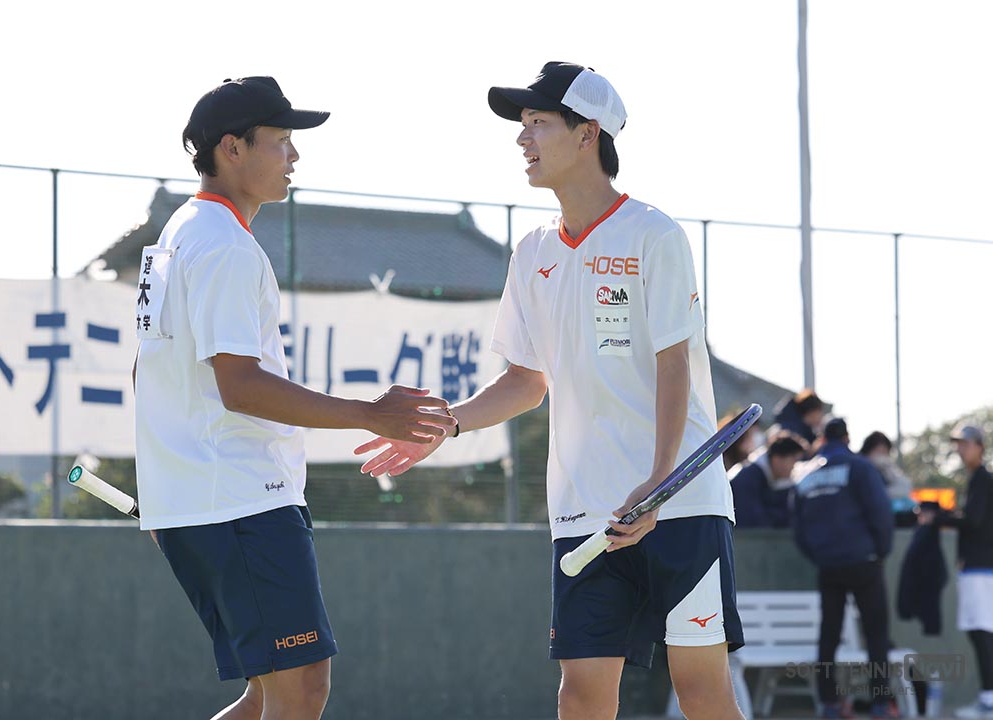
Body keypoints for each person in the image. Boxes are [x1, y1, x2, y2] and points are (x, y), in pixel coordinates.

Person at [355, 61, 743, 720]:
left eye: (538, 122)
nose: (522, 137)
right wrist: (448, 423)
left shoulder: (654, 233)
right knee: (582, 695)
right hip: (583, 511)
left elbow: (674, 364)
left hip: (680, 504)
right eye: (523, 124)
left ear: (588, 133)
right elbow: (526, 381)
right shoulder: (531, 250)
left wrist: (658, 484)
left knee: (702, 693)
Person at [133, 76, 455, 720]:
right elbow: (240, 386)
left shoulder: (182, 230)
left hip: (204, 500)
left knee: (269, 695)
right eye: (280, 140)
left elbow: (148, 371)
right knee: (300, 689)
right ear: (232, 148)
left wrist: (169, 487)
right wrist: (372, 415)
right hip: (239, 501)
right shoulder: (223, 245)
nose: (294, 155)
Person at [792, 418, 896, 718]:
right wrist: (880, 551)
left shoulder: (805, 473)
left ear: (823, 439)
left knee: (829, 635)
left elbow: (797, 527)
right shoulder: (861, 467)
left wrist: (818, 555)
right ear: (848, 438)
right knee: (876, 634)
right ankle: (881, 703)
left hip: (829, 565)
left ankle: (830, 703)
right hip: (864, 561)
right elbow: (881, 513)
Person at [936, 424, 993, 719]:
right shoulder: (977, 479)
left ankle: (989, 701)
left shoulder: (982, 478)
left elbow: (973, 521)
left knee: (982, 634)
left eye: (966, 444)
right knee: (981, 633)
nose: (960, 449)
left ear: (979, 447)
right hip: (979, 569)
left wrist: (938, 517)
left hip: (981, 570)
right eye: (958, 444)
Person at [729, 432, 807, 528]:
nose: (795, 467)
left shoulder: (778, 481)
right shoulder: (745, 479)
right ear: (777, 459)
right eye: (793, 460)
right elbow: (751, 520)